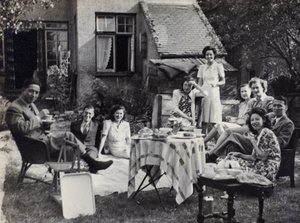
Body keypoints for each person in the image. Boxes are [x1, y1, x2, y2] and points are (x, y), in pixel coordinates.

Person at [5, 78, 113, 173]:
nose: (34, 95)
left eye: (36, 92)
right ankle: (92, 163)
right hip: (35, 146)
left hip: (41, 140)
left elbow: (34, 126)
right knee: (68, 135)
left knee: (70, 148)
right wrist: (38, 117)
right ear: (23, 90)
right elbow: (20, 129)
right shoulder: (14, 108)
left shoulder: (30, 105)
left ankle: (72, 173)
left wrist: (45, 123)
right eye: (31, 91)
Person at [207, 96, 294, 162]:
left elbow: (282, 143)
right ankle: (219, 159)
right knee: (232, 139)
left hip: (265, 149)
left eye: (279, 106)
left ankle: (213, 156)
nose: (276, 108)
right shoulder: (271, 117)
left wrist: (262, 139)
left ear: (286, 107)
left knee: (234, 136)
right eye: (274, 105)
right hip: (256, 142)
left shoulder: (288, 123)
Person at [218, 107, 281, 183]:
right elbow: (253, 157)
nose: (254, 122)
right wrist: (239, 154)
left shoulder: (266, 132)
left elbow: (263, 157)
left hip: (268, 168)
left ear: (263, 120)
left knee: (234, 165)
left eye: (257, 119)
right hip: (259, 164)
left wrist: (252, 140)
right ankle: (227, 179)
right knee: (230, 158)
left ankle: (229, 180)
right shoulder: (258, 134)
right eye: (252, 120)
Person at [197, 46, 225, 134]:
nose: (209, 56)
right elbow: (200, 82)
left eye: (211, 54)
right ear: (205, 56)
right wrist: (198, 92)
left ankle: (216, 141)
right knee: (204, 118)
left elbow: (223, 81)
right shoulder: (202, 67)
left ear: (214, 55)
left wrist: (216, 83)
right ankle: (203, 140)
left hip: (214, 92)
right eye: (207, 54)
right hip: (204, 92)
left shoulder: (218, 66)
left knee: (214, 118)